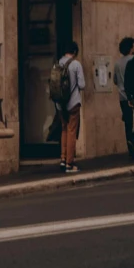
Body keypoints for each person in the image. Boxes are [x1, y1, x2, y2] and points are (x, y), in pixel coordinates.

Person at [52, 41, 87, 173]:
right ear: (74, 52)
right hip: (73, 103)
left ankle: (63, 158)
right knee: (72, 131)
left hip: (60, 104)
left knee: (64, 130)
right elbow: (82, 85)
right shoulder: (76, 64)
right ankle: (69, 163)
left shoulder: (58, 63)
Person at [114, 36, 134, 161]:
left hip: (123, 97)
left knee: (128, 123)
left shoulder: (118, 63)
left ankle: (131, 147)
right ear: (131, 48)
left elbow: (115, 80)